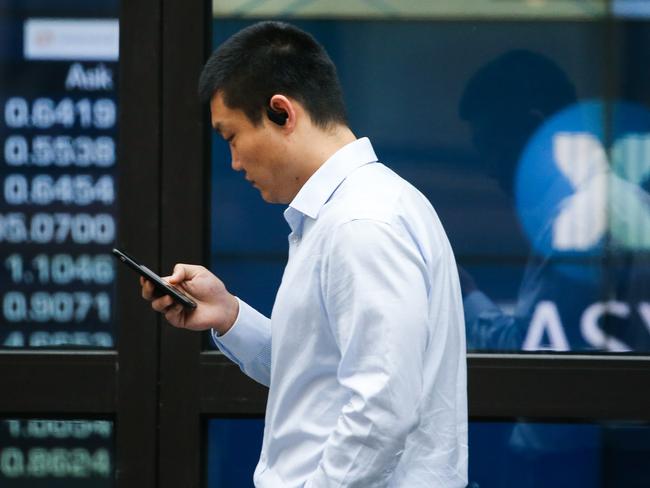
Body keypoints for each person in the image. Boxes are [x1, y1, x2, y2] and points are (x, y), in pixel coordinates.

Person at [141, 21, 467, 487]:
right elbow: (319, 379)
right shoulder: (351, 212)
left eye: (231, 136)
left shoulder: (361, 222)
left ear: (281, 112)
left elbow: (383, 409)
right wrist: (228, 314)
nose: (233, 162)